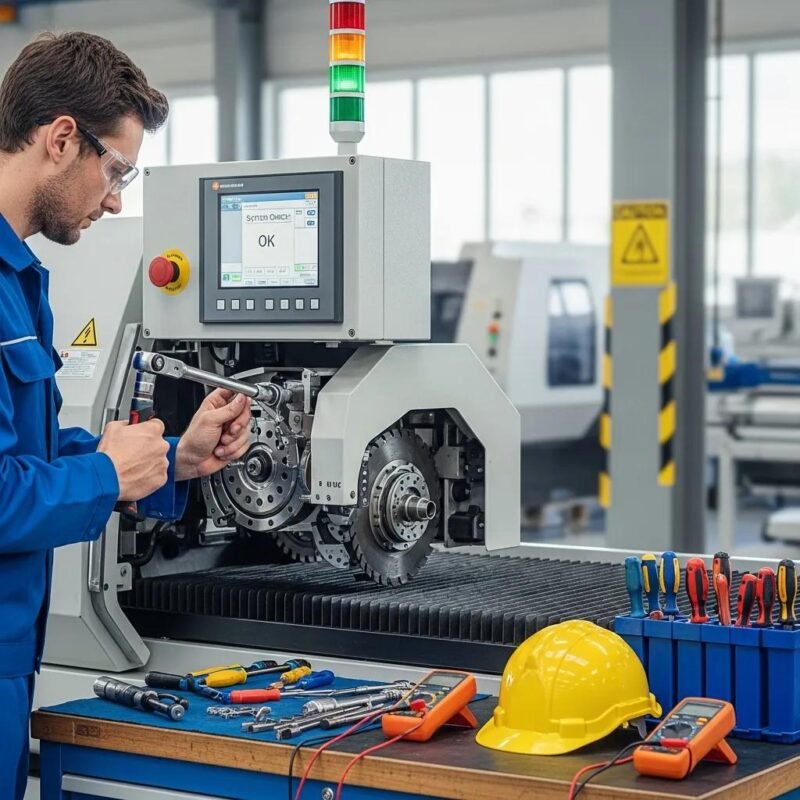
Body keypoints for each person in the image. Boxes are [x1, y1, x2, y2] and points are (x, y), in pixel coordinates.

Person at [0, 32, 252, 799]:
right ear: (61, 138)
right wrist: (109, 474)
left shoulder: (20, 280)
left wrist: (169, 459)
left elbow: (29, 452)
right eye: (116, 171)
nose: (114, 199)